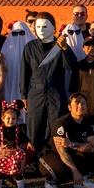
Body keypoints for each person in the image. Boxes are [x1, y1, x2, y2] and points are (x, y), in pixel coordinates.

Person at [20, 13, 73, 163]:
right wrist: (24, 95)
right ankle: (32, 161)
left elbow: (71, 66)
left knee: (55, 126)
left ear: (54, 28)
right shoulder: (29, 47)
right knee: (34, 127)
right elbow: (25, 72)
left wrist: (65, 49)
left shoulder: (60, 45)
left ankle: (56, 159)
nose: (41, 29)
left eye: (45, 26)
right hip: (35, 93)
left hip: (55, 92)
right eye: (37, 26)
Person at [42, 93, 94, 188]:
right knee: (63, 171)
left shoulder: (88, 123)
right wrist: (75, 172)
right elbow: (62, 151)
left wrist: (71, 144)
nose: (80, 106)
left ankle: (81, 179)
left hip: (72, 151)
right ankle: (50, 181)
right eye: (76, 103)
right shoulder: (62, 123)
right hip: (53, 153)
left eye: (83, 103)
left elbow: (92, 147)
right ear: (69, 107)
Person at [0, 101, 31, 188]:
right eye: (8, 118)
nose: (10, 121)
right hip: (3, 154)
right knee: (0, 173)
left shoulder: (19, 129)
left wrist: (29, 143)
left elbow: (24, 138)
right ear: (2, 118)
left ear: (17, 119)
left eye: (13, 119)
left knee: (17, 173)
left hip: (15, 153)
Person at [0, 21, 35, 110]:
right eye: (15, 33)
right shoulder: (5, 51)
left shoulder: (34, 51)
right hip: (10, 85)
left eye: (22, 33)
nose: (19, 36)